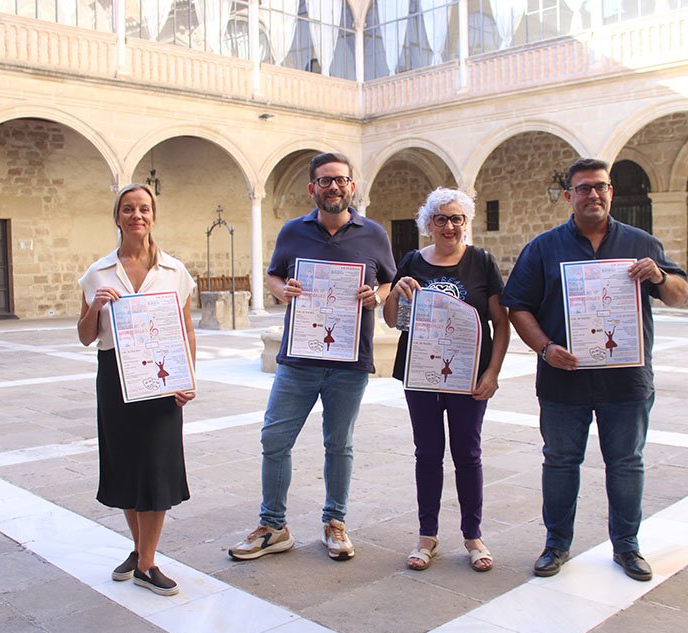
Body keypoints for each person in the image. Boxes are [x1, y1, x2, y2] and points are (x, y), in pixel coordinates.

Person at [501, 158, 688, 582]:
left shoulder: (640, 242)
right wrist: (546, 348)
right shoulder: (543, 248)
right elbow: (518, 307)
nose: (593, 194)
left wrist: (659, 276)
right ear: (569, 196)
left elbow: (680, 294)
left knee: (626, 463)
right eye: (583, 188)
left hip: (626, 381)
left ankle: (627, 546)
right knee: (560, 462)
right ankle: (556, 544)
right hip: (562, 379)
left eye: (600, 186)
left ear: (611, 192)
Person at [229, 152, 396, 562]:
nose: (333, 186)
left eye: (340, 180)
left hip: (349, 361)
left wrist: (375, 296)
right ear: (312, 188)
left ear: (351, 186)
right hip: (299, 358)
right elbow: (274, 274)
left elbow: (389, 282)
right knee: (274, 438)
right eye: (324, 180)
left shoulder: (373, 233)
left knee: (339, 444)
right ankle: (273, 526)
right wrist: (280, 290)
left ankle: (335, 522)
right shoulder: (293, 231)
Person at [78, 183, 197, 596]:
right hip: (115, 375)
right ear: (117, 216)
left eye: (144, 208)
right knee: (127, 464)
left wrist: (187, 378)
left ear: (153, 216)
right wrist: (97, 306)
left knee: (157, 467)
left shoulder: (175, 272)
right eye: (128, 209)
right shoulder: (97, 273)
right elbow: (85, 336)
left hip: (162, 378)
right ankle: (141, 551)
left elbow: (186, 329)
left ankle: (146, 562)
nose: (136, 216)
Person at [383, 188, 510, 573]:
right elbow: (392, 320)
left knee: (468, 454)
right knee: (427, 453)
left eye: (457, 219)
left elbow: (501, 324)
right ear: (429, 224)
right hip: (420, 374)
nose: (450, 226)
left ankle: (473, 536)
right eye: (441, 219)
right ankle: (427, 535)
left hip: (468, 376)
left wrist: (492, 373)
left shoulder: (481, 262)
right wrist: (396, 293)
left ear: (466, 222)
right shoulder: (411, 261)